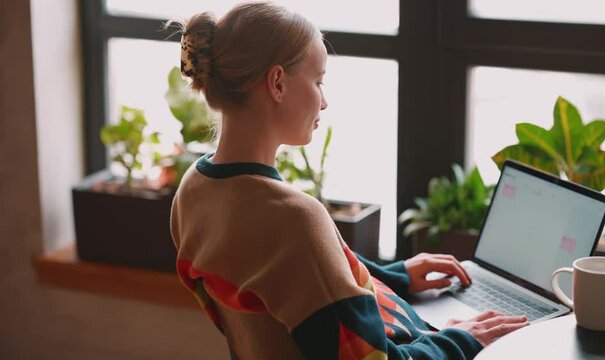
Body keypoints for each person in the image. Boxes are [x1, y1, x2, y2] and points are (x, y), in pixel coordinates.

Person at [169, 3, 528, 359]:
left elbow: (293, 277)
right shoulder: (294, 219)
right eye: (318, 81)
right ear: (277, 83)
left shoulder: (194, 191)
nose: (323, 102)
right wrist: (461, 339)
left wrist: (395, 275)